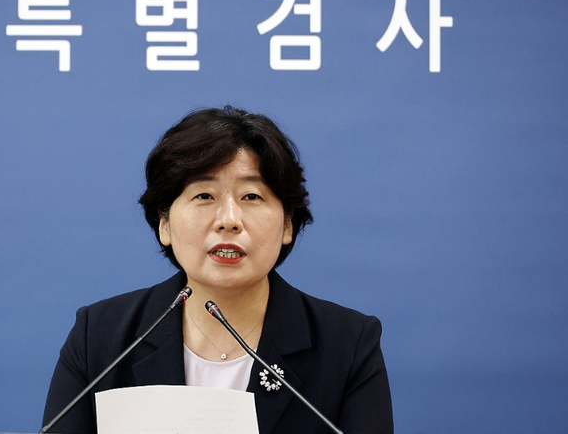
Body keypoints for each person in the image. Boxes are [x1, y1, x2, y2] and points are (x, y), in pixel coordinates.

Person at [42, 106, 393, 433]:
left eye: (251, 196)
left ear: (287, 224)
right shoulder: (100, 338)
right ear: (164, 223)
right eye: (204, 196)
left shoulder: (347, 345)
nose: (229, 220)